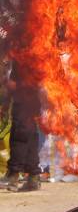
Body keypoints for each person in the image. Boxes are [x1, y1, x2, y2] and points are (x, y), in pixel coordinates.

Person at [0, 63, 41, 192]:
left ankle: (14, 175)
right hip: (32, 100)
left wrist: (6, 101)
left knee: (19, 136)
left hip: (24, 99)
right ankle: (33, 176)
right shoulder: (33, 51)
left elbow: (13, 81)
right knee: (31, 136)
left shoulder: (21, 53)